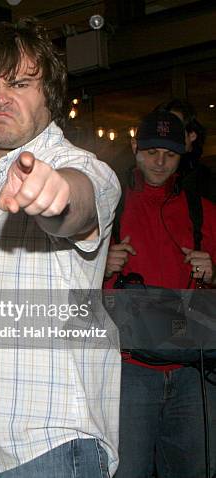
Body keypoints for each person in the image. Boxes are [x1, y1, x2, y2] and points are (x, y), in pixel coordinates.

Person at [0, 19, 121, 477]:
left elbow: (78, 202)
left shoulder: (79, 165)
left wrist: (54, 195)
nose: (1, 98)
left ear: (48, 96)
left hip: (45, 446)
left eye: (20, 83)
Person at [103, 109, 216, 477]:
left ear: (182, 152)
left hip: (192, 372)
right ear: (135, 147)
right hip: (129, 371)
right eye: (152, 152)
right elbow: (65, 284)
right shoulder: (107, 204)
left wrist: (214, 273)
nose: (160, 162)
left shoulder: (204, 209)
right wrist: (102, 268)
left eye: (169, 153)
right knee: (127, 471)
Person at [154, 98, 214, 202]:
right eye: (161, 129)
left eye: (174, 129)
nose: (166, 135)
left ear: (192, 135)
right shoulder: (148, 173)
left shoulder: (207, 182)